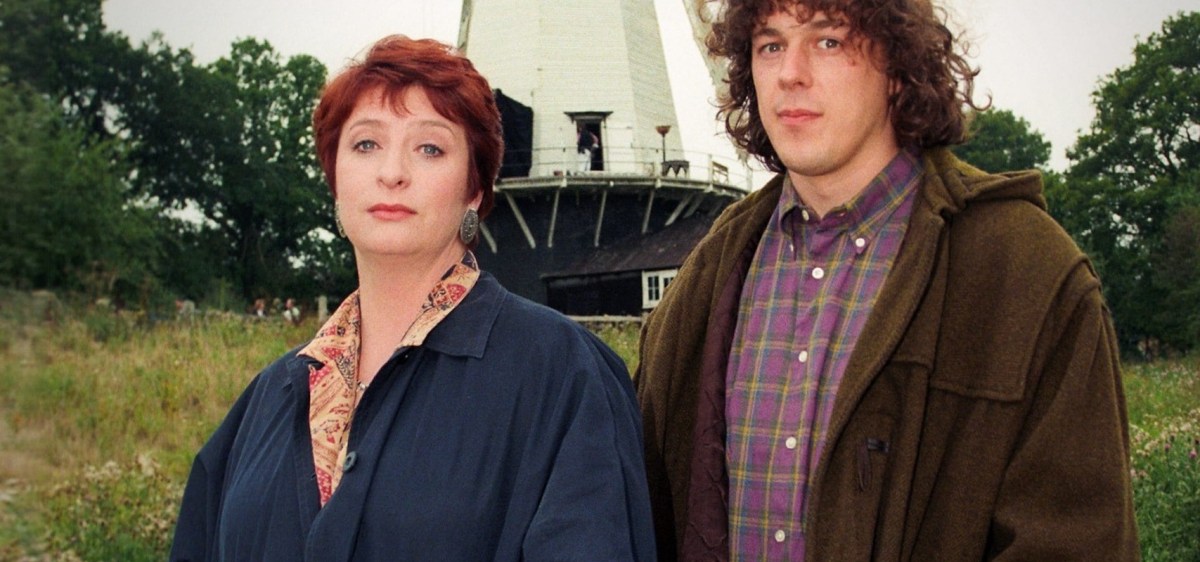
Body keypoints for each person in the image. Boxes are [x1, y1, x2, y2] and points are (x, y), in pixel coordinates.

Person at [635, 1, 1138, 560]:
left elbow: (1078, 544)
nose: (789, 73)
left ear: (900, 66)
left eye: (827, 41)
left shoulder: (1028, 276)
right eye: (770, 44)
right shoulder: (708, 276)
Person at [171, 35, 655, 561]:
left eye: (430, 148)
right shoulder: (265, 401)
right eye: (365, 144)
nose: (392, 172)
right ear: (335, 179)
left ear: (474, 187)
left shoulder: (563, 375)